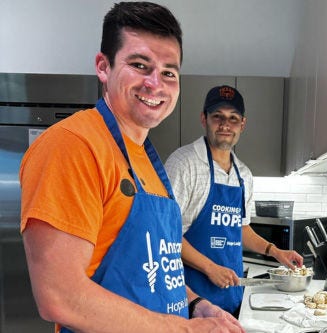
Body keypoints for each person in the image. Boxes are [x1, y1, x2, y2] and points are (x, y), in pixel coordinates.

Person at [19, 2, 244, 333]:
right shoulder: (72, 146)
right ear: (103, 67)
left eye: (169, 72)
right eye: (140, 65)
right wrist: (183, 330)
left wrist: (197, 305)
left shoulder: (145, 160)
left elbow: (155, 273)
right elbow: (60, 296)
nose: (156, 84)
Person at [164, 85, 304, 316]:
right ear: (204, 119)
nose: (225, 125)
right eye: (217, 116)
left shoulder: (243, 174)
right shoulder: (183, 164)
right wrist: (210, 268)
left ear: (242, 124)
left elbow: (240, 228)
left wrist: (276, 251)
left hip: (230, 295)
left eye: (233, 118)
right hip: (189, 299)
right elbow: (166, 235)